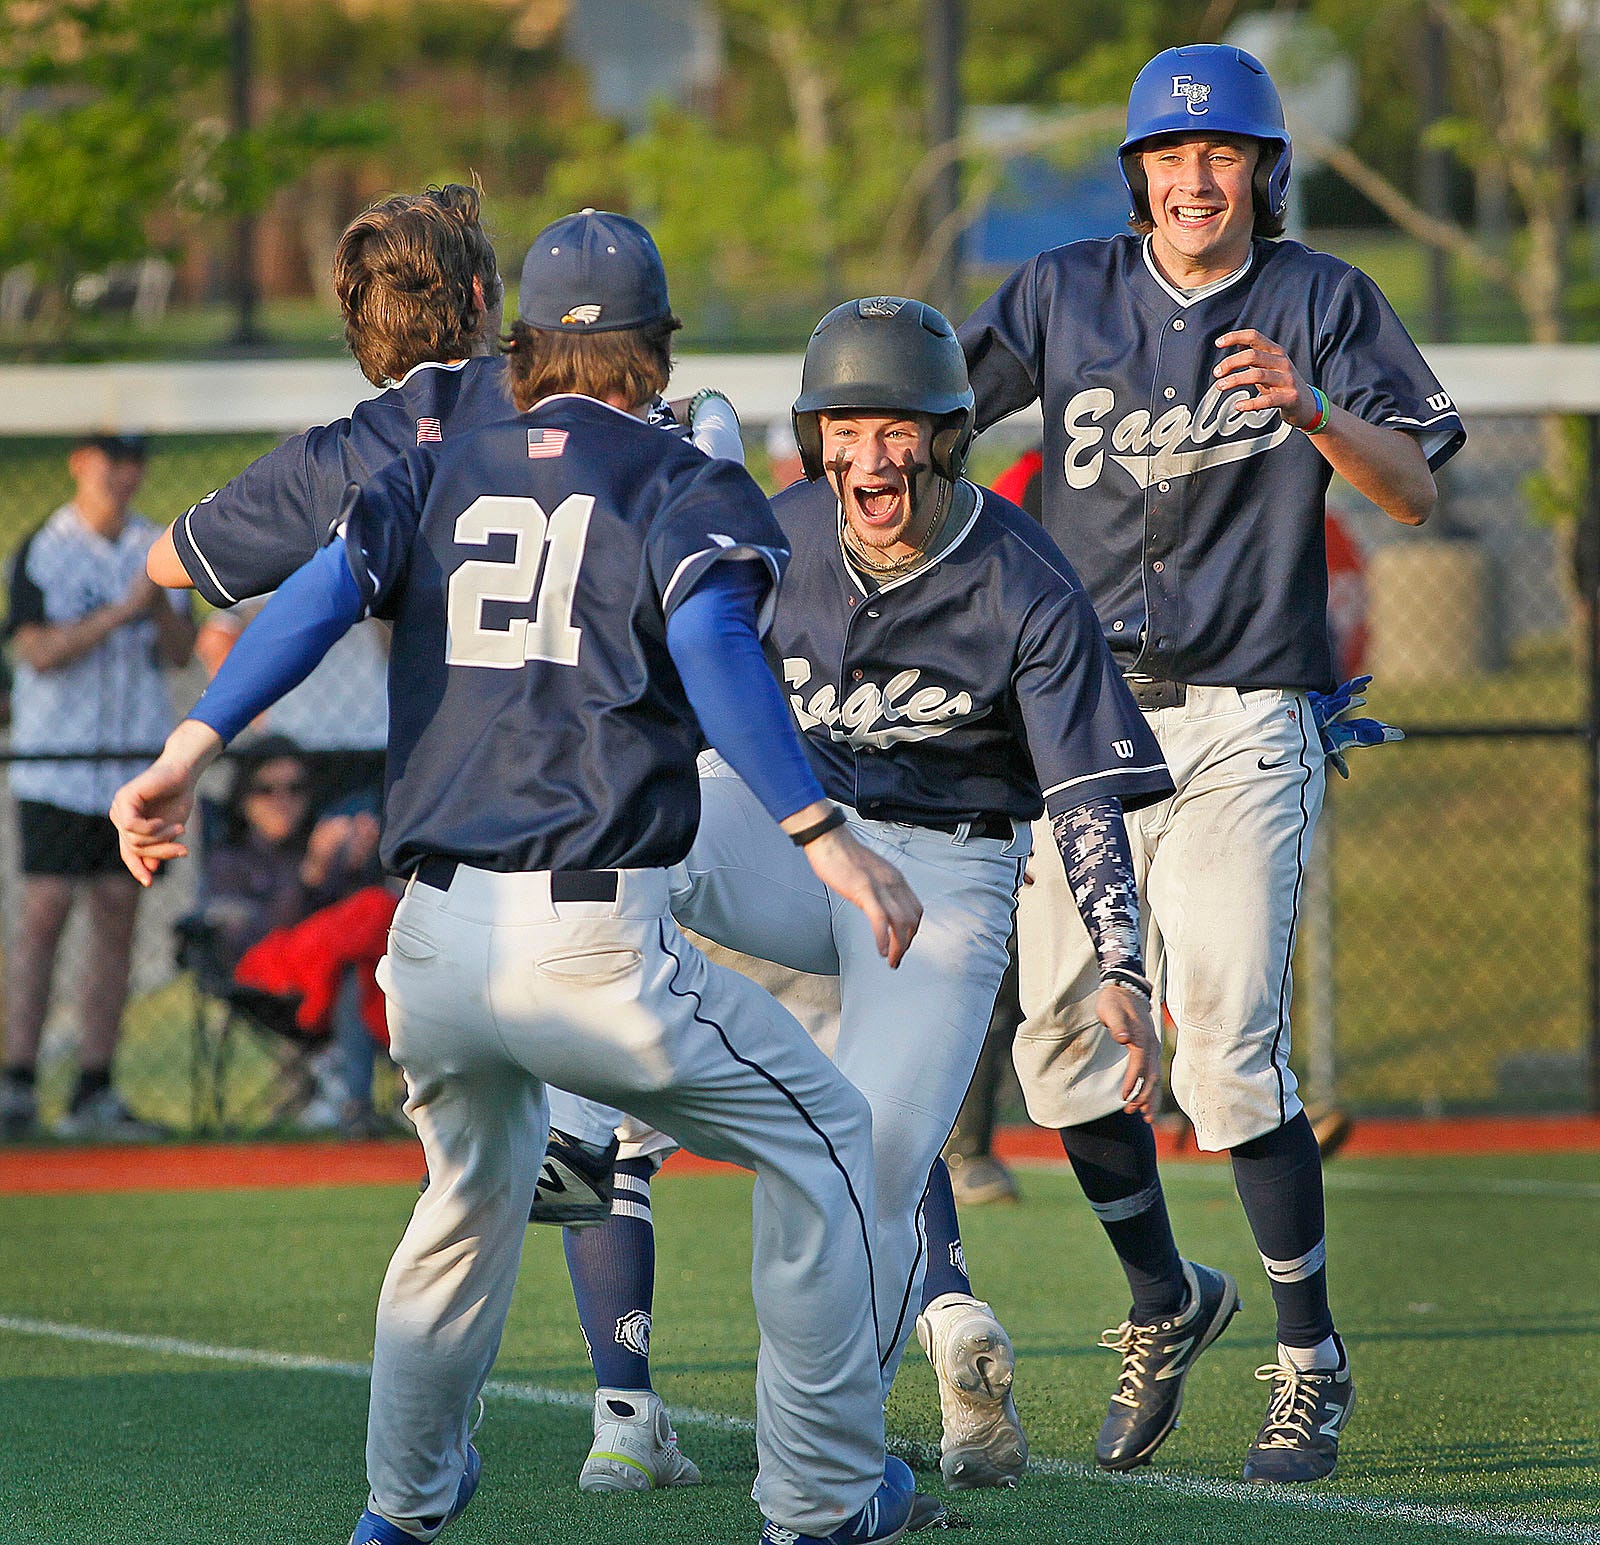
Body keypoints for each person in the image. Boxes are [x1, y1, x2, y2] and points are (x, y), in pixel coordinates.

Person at [111, 209, 924, 1545]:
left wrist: (186, 750)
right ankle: (827, 1499)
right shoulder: (679, 468)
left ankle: (402, 1512)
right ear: (655, 344)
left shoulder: (437, 451)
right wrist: (819, 832)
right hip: (595, 944)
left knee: (464, 1203)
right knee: (835, 1142)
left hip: (431, 946)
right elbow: (719, 643)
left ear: (524, 333)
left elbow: (314, 597)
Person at [544, 296, 1175, 1499]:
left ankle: (821, 1461)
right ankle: (574, 1111)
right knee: (627, 819)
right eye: (846, 428)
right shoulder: (774, 535)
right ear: (814, 434)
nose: (870, 456)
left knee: (867, 1169)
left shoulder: (1024, 580)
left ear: (948, 438)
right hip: (800, 837)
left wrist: (1121, 966)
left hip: (943, 874)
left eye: (898, 431)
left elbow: (1085, 802)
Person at [957, 43, 1466, 1483]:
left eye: (1222, 155)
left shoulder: (1321, 300)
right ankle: (1164, 1300)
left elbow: (1417, 487)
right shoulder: (1062, 290)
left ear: (1264, 171)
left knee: (1228, 1048)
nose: (1195, 179)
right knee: (1056, 1055)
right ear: (1137, 176)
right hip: (1081, 722)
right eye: (1170, 158)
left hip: (1245, 713)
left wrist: (1311, 409)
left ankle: (1309, 1356)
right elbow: (939, 419)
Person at [0, 433, 196, 1142]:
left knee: (117, 912)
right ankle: (18, 1079)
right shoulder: (43, 547)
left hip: (128, 765)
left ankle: (94, 1084)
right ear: (79, 463)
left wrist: (155, 606)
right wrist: (120, 609)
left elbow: (180, 654)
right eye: (108, 458)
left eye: (133, 460)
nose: (122, 473)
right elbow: (37, 652)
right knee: (45, 910)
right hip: (56, 758)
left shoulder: (160, 545)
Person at [200, 734, 394, 1135]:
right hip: (264, 972)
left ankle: (347, 1090)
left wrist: (358, 866)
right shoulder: (231, 856)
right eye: (265, 789)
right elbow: (255, 933)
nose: (281, 799)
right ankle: (380, 1076)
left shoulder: (322, 840)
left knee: (368, 921)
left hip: (335, 974)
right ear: (243, 796)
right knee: (371, 912)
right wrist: (313, 872)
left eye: (294, 788)